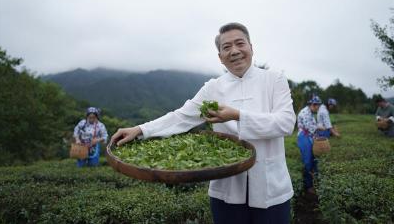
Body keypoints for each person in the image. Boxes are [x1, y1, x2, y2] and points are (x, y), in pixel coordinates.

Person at [111, 22, 296, 224]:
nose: (234, 51)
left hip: (271, 189)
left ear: (251, 47)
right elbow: (182, 116)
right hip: (227, 190)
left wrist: (237, 115)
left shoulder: (274, 80)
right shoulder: (213, 88)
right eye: (226, 47)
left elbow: (286, 123)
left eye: (240, 44)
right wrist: (140, 129)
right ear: (220, 58)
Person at [297, 96, 322, 194]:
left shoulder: (310, 113)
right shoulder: (305, 113)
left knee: (314, 161)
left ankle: (314, 183)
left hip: (309, 137)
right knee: (307, 161)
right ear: (312, 105)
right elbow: (311, 128)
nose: (317, 108)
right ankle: (308, 186)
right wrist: (320, 128)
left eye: (318, 106)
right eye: (316, 106)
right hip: (304, 137)